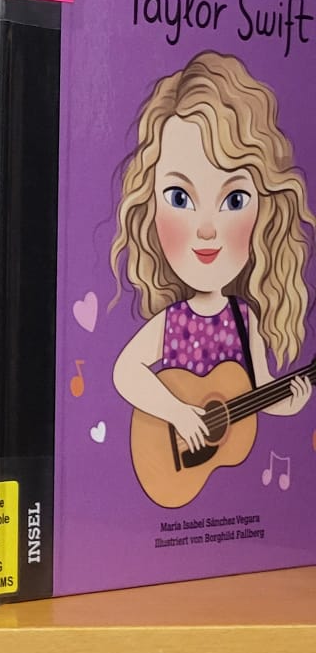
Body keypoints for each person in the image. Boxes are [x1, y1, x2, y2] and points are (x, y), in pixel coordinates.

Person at [109, 51, 313, 454]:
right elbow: (125, 373)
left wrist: (290, 403)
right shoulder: (174, 322)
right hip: (168, 452)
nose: (206, 229)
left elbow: (258, 389)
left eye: (234, 200)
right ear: (150, 207)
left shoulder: (245, 319)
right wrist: (178, 413)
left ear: (263, 212)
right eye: (179, 197)